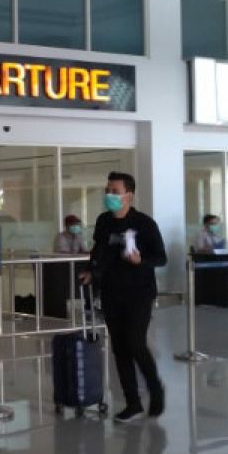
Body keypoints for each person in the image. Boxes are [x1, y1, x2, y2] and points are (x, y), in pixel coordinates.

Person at [81, 171, 167, 422]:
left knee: (135, 343)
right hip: (111, 291)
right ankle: (133, 403)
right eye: (107, 190)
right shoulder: (104, 221)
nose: (109, 195)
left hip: (138, 292)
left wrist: (140, 260)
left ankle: (155, 389)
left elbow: (161, 257)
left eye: (115, 192)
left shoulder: (144, 224)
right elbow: (99, 251)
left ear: (129, 195)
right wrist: (91, 271)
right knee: (120, 349)